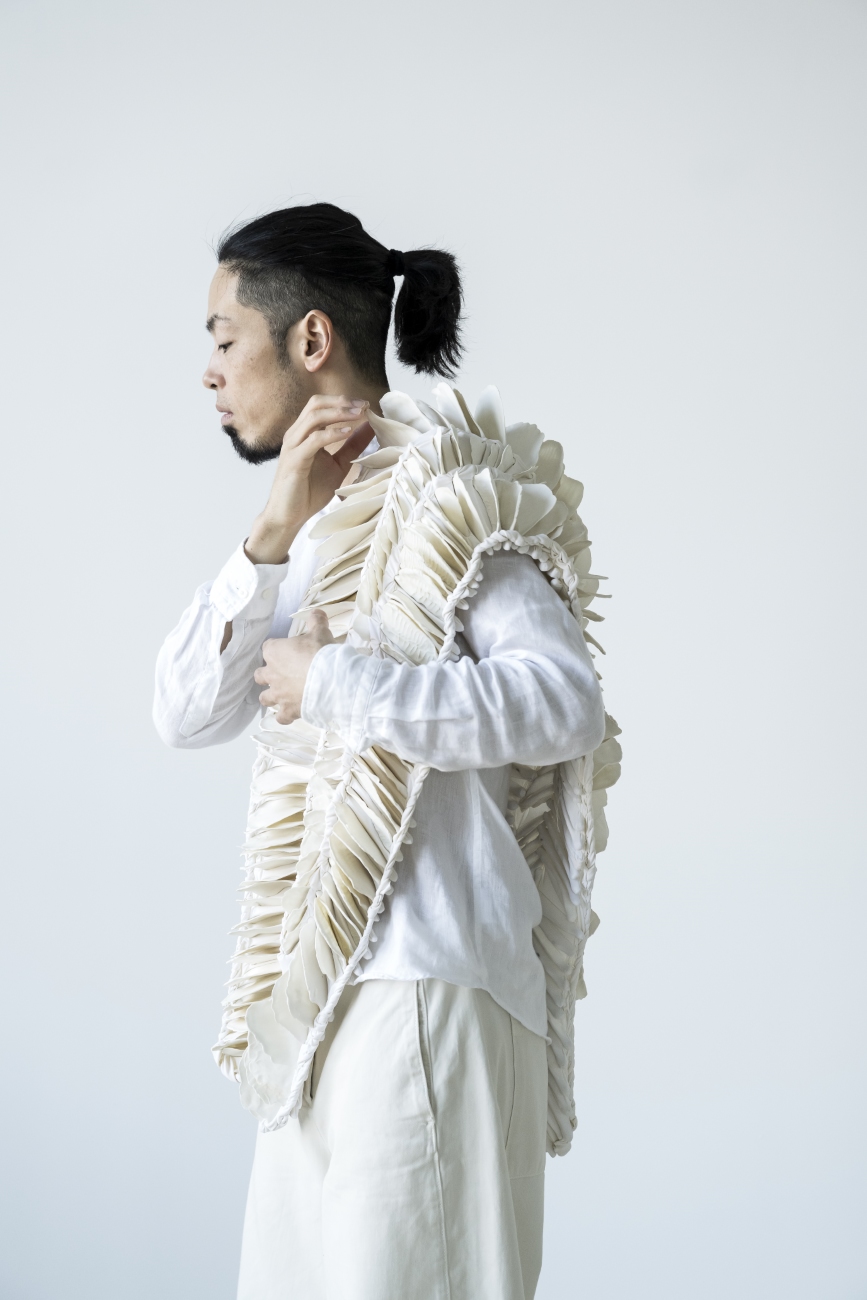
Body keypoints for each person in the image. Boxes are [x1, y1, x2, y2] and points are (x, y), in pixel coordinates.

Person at [154, 203, 608, 1300]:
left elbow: (561, 702)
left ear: (309, 339)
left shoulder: (450, 496)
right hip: (314, 1013)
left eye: (224, 338)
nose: (209, 371)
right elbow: (184, 712)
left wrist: (335, 684)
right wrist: (270, 533)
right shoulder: (307, 531)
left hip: (426, 991)